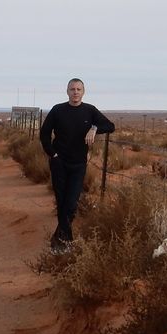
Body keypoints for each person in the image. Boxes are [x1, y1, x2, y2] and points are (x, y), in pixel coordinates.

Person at [39, 78, 115, 251]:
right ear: (67, 91)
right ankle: (65, 243)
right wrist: (53, 154)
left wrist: (94, 128)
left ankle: (59, 239)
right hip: (59, 162)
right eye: (72, 89)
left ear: (83, 92)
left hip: (79, 164)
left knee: (71, 204)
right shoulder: (58, 110)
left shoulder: (90, 110)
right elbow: (44, 134)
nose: (75, 92)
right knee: (62, 201)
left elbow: (110, 126)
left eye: (78, 89)